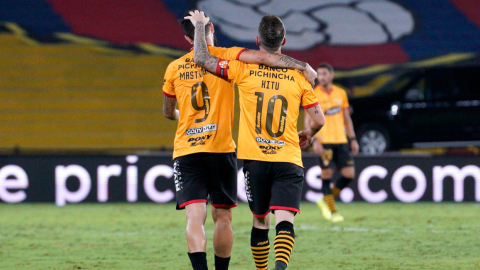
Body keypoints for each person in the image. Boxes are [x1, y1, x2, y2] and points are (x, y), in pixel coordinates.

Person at [163, 10, 318, 270]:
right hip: (221, 148)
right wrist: (303, 66)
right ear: (212, 27)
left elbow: (169, 112)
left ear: (187, 38)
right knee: (223, 216)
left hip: (187, 150)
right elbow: (265, 57)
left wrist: (184, 117)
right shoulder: (230, 57)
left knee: (195, 218)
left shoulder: (174, 68)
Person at [304, 62, 359, 223]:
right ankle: (333, 211)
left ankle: (325, 200)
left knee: (349, 175)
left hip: (341, 140)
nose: (321, 77)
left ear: (331, 75)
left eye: (324, 74)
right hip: (324, 141)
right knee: (327, 174)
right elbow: (309, 118)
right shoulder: (313, 93)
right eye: (319, 74)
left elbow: (346, 118)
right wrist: (314, 139)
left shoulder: (341, 93)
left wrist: (353, 138)